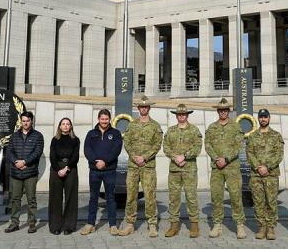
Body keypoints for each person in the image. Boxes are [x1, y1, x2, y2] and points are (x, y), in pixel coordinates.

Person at [118, 96, 163, 238]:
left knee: (150, 195)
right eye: (141, 107)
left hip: (148, 166)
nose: (144, 109)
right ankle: (130, 224)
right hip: (133, 166)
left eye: (146, 107)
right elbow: (127, 142)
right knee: (131, 195)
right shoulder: (132, 124)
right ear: (138, 109)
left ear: (149, 108)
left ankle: (152, 224)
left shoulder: (155, 125)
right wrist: (134, 157)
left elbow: (157, 144)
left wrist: (145, 157)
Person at [205, 98, 246, 239]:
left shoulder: (236, 127)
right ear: (217, 111)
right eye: (220, 110)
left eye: (225, 110)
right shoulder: (211, 127)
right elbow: (208, 145)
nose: (223, 112)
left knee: (235, 196)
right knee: (216, 196)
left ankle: (240, 225)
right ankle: (217, 225)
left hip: (232, 167)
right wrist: (217, 158)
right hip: (217, 168)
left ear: (228, 111)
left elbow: (238, 145)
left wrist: (226, 159)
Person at [162, 103, 203, 238]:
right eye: (179, 114)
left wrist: (184, 156)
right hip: (174, 169)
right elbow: (166, 147)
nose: (181, 116)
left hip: (189, 169)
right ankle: (174, 225)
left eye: (183, 114)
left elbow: (197, 148)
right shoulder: (171, 131)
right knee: (174, 198)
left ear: (187, 115)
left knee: (191, 197)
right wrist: (175, 157)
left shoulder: (194, 130)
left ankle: (194, 225)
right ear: (176, 116)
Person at [80, 108, 123, 236]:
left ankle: (113, 225)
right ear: (98, 119)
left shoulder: (115, 133)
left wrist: (105, 162)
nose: (104, 121)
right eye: (102, 119)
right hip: (94, 170)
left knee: (110, 197)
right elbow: (87, 149)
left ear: (109, 119)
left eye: (106, 119)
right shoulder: (91, 133)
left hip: (109, 170)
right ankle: (90, 224)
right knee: (93, 197)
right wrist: (95, 162)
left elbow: (116, 149)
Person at [246, 108, 284, 240]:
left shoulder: (276, 135)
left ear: (269, 118)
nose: (263, 119)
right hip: (256, 175)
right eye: (261, 117)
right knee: (258, 202)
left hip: (271, 174)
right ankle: (261, 227)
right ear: (258, 118)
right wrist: (258, 167)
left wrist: (267, 167)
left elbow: (279, 154)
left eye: (265, 117)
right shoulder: (252, 136)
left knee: (271, 202)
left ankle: (271, 227)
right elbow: (249, 153)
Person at [5, 110, 44, 234]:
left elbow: (37, 152)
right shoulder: (14, 136)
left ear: (31, 121)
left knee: (31, 199)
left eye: (27, 121)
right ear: (20, 122)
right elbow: (9, 151)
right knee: (15, 199)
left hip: (30, 173)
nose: (25, 123)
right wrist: (16, 162)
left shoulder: (38, 136)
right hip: (16, 173)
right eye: (23, 121)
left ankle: (31, 223)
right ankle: (14, 223)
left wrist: (25, 162)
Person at [48, 117, 80, 235]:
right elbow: (52, 156)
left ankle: (69, 226)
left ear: (71, 126)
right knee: (55, 198)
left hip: (70, 168)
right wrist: (58, 169)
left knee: (71, 198)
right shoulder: (54, 139)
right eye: (63, 124)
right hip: (56, 169)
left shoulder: (76, 140)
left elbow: (75, 157)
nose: (66, 126)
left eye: (68, 124)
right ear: (60, 126)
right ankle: (55, 226)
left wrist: (67, 168)